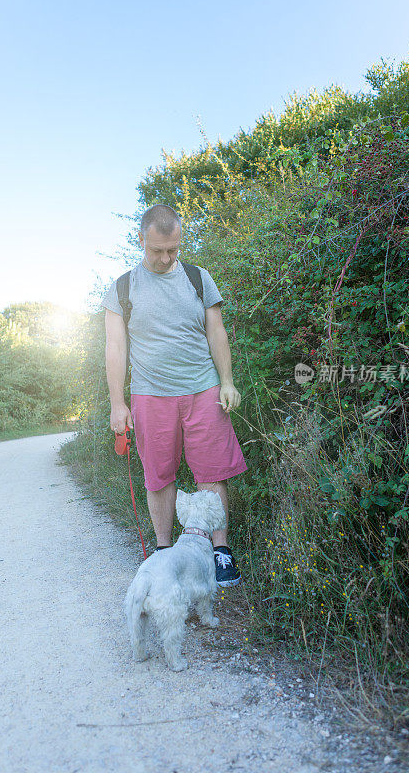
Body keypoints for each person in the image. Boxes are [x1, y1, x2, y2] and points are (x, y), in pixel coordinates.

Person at [100, 203, 247, 585]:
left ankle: (220, 551)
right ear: (141, 240)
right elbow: (115, 347)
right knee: (159, 475)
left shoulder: (198, 278)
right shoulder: (123, 288)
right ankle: (165, 553)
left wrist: (227, 380)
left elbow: (216, 331)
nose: (166, 258)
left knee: (213, 472)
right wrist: (118, 403)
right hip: (150, 395)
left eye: (173, 250)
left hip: (204, 389)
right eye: (157, 250)